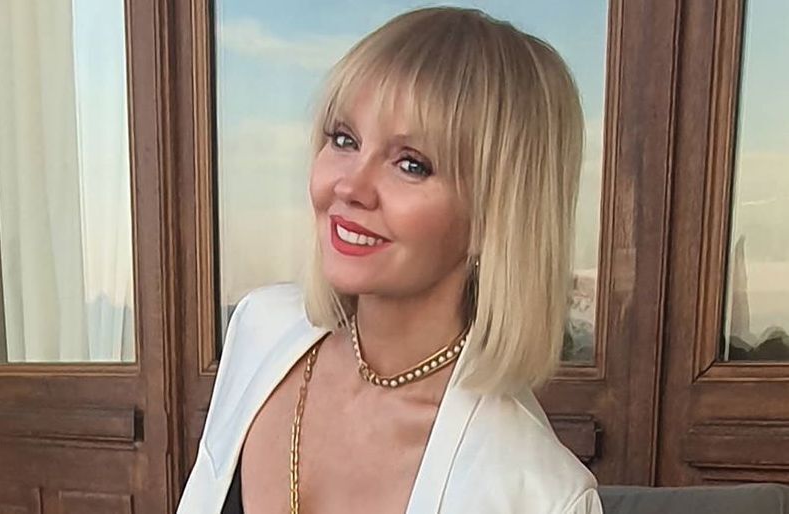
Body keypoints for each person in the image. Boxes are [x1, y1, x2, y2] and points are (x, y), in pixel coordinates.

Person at [178, 6, 602, 513]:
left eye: (411, 164)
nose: (350, 186)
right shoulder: (259, 332)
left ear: (496, 217)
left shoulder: (536, 493)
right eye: (344, 140)